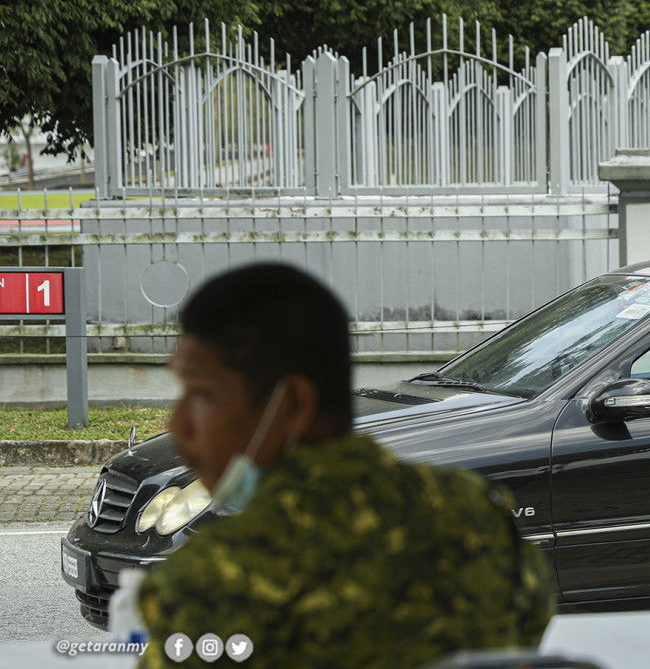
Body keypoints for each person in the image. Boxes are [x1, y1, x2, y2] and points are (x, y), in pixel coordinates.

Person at [135, 262, 554, 668]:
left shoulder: (210, 581)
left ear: (293, 404)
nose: (178, 423)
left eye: (203, 395)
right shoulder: (477, 515)